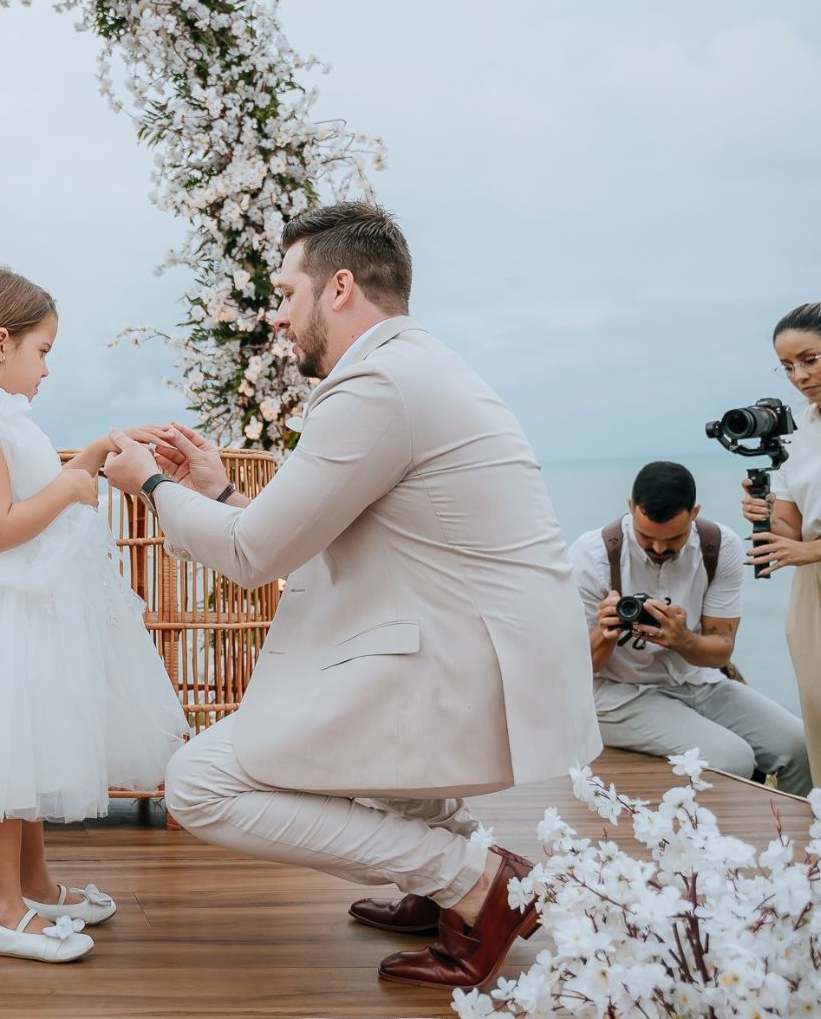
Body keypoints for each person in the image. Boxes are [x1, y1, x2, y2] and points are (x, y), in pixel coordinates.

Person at [102, 202, 599, 991]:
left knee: (200, 783)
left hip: (460, 662)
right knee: (330, 712)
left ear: (339, 288)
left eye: (288, 294)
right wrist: (222, 489)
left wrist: (153, 486)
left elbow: (253, 554)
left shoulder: (376, 384)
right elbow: (307, 538)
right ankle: (440, 881)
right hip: (478, 648)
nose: (279, 317)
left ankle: (474, 881)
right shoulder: (419, 366)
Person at [0, 267, 188, 964]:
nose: (48, 367)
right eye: (42, 350)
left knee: (21, 754)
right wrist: (73, 490)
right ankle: (0, 909)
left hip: (17, 608)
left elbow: (43, 485)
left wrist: (100, 453)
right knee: (1, 761)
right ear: (0, 343)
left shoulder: (3, 421)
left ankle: (36, 884)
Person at [570, 461, 808, 793]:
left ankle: (796, 839)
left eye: (673, 539)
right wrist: (605, 633)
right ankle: (712, 843)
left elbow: (720, 651)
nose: (658, 548)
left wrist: (682, 640)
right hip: (617, 694)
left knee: (799, 746)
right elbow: (576, 673)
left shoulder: (718, 546)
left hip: (697, 681)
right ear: (629, 508)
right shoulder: (591, 556)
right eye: (646, 537)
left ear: (694, 513)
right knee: (732, 759)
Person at [742, 301, 821, 790]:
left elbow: (804, 547)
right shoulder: (798, 433)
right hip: (813, 595)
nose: (799, 376)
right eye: (788, 366)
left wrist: (808, 552)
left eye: (810, 359)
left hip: (813, 562)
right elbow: (792, 531)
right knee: (818, 711)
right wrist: (765, 512)